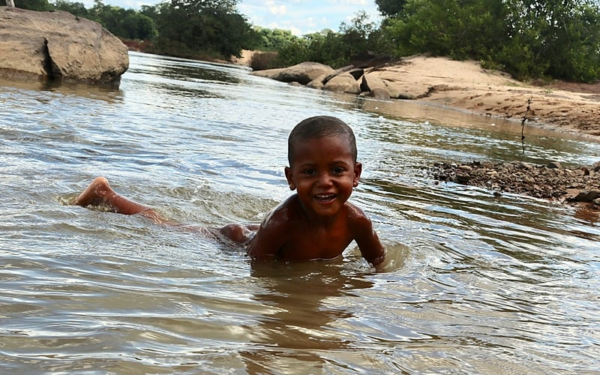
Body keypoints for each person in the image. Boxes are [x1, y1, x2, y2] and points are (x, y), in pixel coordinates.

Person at [72, 116, 386, 268]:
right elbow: (257, 269)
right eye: (309, 172)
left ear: (355, 174)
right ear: (291, 178)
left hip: (260, 236)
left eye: (337, 170)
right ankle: (105, 195)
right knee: (164, 225)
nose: (324, 182)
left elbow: (379, 263)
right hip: (236, 242)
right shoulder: (283, 222)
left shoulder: (357, 221)